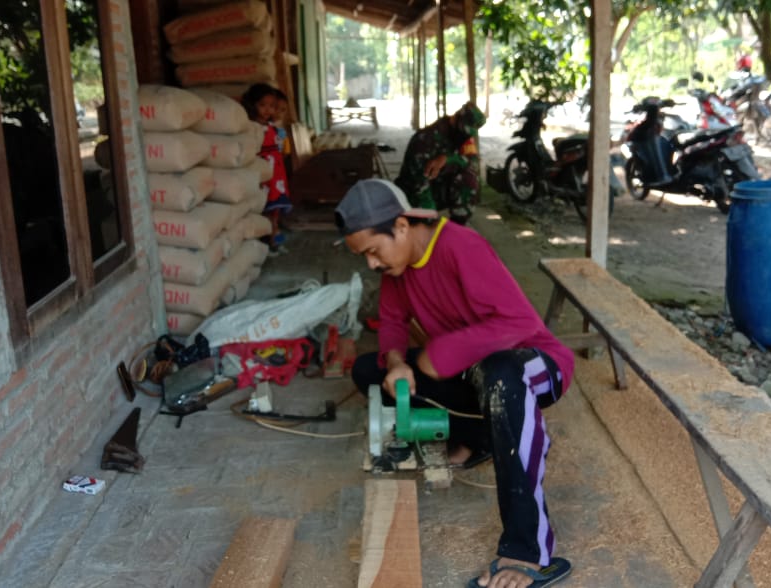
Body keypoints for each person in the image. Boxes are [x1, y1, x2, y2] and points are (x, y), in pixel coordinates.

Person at [334, 178, 576, 588]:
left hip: (532, 362)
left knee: (500, 376)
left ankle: (529, 552)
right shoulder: (399, 270)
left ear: (402, 227)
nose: (372, 265)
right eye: (365, 258)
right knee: (369, 372)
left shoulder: (460, 245)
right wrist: (397, 363)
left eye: (374, 252)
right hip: (471, 369)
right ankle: (485, 436)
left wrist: (443, 351)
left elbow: (519, 323)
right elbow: (392, 323)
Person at [394, 101, 486, 224]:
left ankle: (458, 225)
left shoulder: (462, 135)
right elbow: (419, 185)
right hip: (411, 194)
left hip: (437, 188)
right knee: (427, 228)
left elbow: (472, 163)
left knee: (468, 177)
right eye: (463, 130)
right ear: (455, 118)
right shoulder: (425, 140)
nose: (465, 135)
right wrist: (432, 220)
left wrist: (447, 159)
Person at [241, 83, 292, 252]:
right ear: (252, 105)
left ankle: (274, 238)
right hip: (263, 172)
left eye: (271, 106)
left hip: (276, 173)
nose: (267, 110)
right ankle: (265, 240)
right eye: (262, 105)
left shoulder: (273, 128)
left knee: (275, 208)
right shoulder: (251, 127)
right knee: (262, 206)